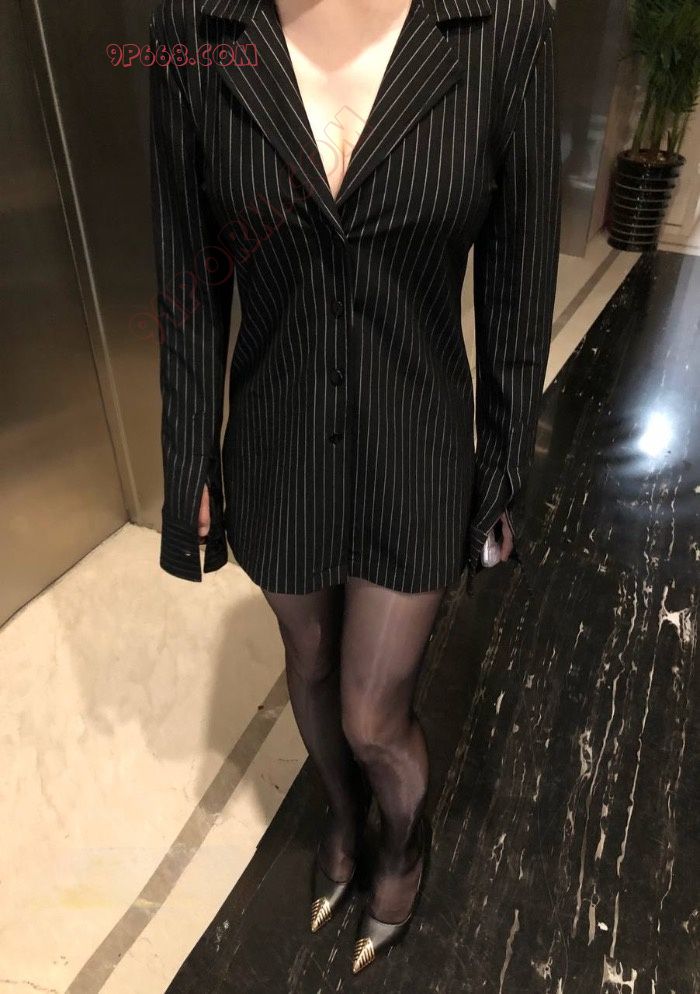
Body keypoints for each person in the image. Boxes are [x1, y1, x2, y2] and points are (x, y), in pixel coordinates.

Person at [148, 0, 560, 974]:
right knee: (310, 661)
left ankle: (402, 843)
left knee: (374, 711)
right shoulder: (194, 28)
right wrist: (188, 454)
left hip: (417, 444)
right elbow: (186, 271)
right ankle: (339, 813)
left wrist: (504, 460)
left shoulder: (502, 28)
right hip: (277, 437)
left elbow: (519, 271)